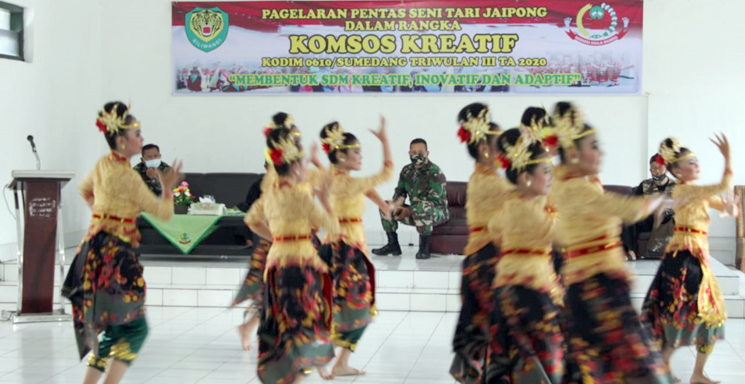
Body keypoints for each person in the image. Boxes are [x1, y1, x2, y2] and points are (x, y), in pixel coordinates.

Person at [549, 102, 672, 383]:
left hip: (600, 280)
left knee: (595, 364)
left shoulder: (580, 180)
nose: (600, 152)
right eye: (594, 145)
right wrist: (656, 201)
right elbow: (619, 208)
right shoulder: (572, 185)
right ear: (573, 153)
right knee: (636, 365)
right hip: (596, 286)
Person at [61, 102, 183, 384]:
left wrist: (107, 217)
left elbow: (84, 190)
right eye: (137, 135)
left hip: (94, 250)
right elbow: (163, 213)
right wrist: (167, 187)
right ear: (121, 140)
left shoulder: (103, 165)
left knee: (116, 329)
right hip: (116, 257)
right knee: (135, 329)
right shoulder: (127, 177)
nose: (141, 140)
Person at [245, 126, 339, 383]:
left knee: (280, 321)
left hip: (276, 262)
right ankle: (306, 366)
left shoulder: (270, 193)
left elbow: (251, 221)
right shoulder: (300, 195)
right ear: (296, 167)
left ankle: (284, 367)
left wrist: (275, 237)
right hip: (299, 263)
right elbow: (333, 227)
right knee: (304, 322)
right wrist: (327, 201)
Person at [642, 135, 737, 384]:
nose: (696, 164)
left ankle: (697, 373)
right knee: (680, 315)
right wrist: (727, 157)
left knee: (713, 314)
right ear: (676, 171)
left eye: (696, 160)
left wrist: (730, 208)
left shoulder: (697, 192)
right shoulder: (686, 189)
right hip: (682, 260)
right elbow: (724, 183)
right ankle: (662, 367)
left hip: (698, 259)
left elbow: (727, 207)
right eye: (690, 162)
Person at [488, 127, 564, 383]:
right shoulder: (527, 211)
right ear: (525, 177)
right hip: (529, 289)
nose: (551, 178)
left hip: (518, 285)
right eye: (546, 173)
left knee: (518, 360)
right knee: (542, 360)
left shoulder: (515, 204)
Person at [319, 118, 394, 376]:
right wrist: (384, 140)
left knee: (349, 307)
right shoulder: (346, 182)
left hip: (341, 246)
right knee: (358, 309)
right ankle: (323, 357)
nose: (360, 156)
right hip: (346, 250)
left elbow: (367, 189)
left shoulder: (337, 178)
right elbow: (386, 172)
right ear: (340, 155)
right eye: (356, 151)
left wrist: (384, 207)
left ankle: (337, 362)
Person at [448, 103, 509, 383]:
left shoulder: (485, 177)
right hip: (488, 261)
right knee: (491, 332)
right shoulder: (492, 183)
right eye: (502, 146)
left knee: (483, 330)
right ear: (485, 150)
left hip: (481, 259)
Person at [371, 138, 449, 259]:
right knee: (385, 205)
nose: (416, 155)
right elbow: (400, 191)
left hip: (436, 212)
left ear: (427, 153)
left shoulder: (435, 173)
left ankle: (424, 249)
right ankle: (393, 245)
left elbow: (432, 201)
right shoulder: (407, 171)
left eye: (420, 152)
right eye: (413, 152)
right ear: (409, 153)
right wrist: (397, 205)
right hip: (415, 212)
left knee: (423, 207)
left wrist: (408, 211)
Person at [622, 154, 677, 259]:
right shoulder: (645, 185)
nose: (657, 171)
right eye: (654, 168)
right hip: (648, 218)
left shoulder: (676, 186)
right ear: (650, 170)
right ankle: (631, 252)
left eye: (660, 168)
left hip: (668, 219)